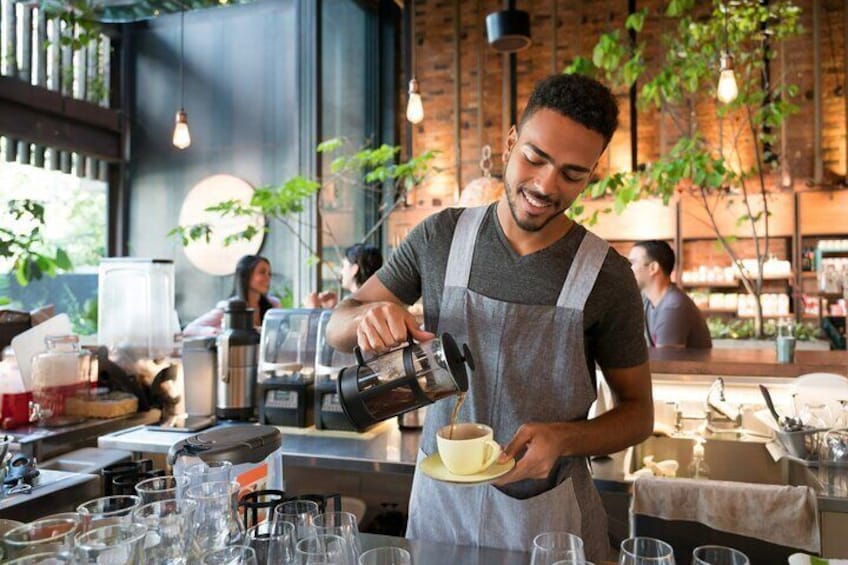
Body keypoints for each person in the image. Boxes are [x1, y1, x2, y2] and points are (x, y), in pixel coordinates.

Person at [326, 74, 654, 561]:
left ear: (593, 173)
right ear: (509, 143)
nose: (545, 186)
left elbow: (638, 413)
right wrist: (369, 316)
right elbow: (338, 325)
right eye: (535, 158)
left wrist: (566, 438)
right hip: (440, 512)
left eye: (572, 173)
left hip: (547, 520)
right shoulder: (440, 237)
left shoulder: (606, 276)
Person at [628, 240, 712, 349]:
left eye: (632, 263)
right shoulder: (648, 301)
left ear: (653, 268)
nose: (628, 269)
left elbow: (666, 363)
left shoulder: (673, 307)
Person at [183, 254, 280, 337]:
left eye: (269, 274)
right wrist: (219, 333)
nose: (268, 278)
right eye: (262, 272)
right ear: (246, 275)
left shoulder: (273, 305)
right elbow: (189, 329)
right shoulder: (229, 307)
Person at [303, 244, 383, 309]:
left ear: (354, 269)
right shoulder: (377, 301)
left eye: (344, 266)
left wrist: (312, 309)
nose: (341, 271)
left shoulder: (355, 306)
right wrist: (332, 308)